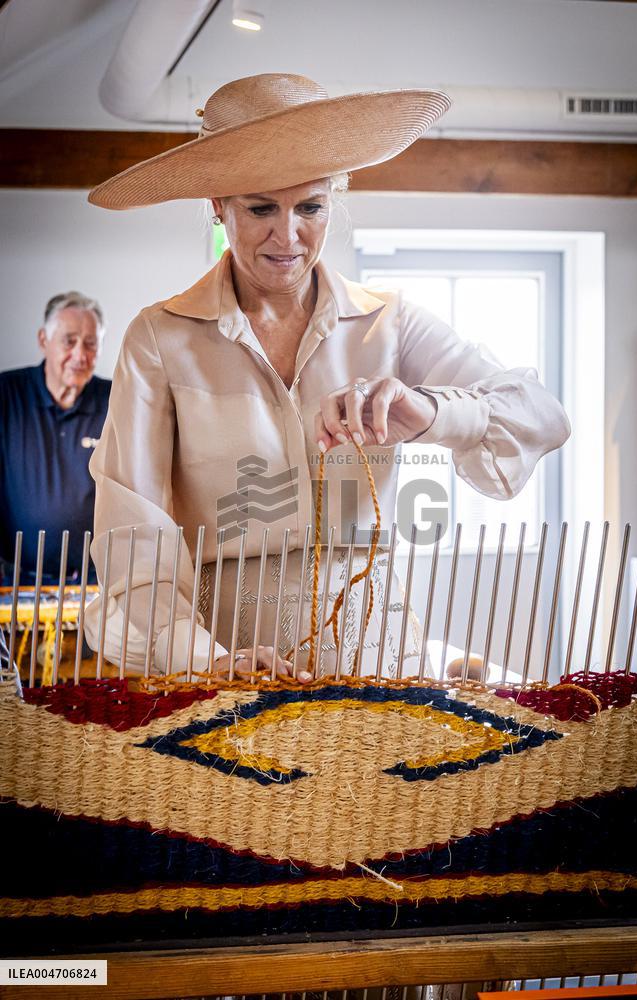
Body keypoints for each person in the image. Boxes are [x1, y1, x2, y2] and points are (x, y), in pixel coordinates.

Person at [84, 73, 570, 682]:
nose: (287, 236)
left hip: (379, 658)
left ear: (332, 200)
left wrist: (431, 412)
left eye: (310, 207)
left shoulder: (390, 324)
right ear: (217, 205)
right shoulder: (161, 337)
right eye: (261, 208)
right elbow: (135, 526)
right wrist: (204, 658)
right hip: (227, 663)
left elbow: (542, 414)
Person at [0, 292, 110, 585]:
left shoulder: (116, 401)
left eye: (90, 344)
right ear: (43, 340)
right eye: (69, 340)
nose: (80, 355)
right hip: (15, 584)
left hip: (94, 585)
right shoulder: (6, 395)